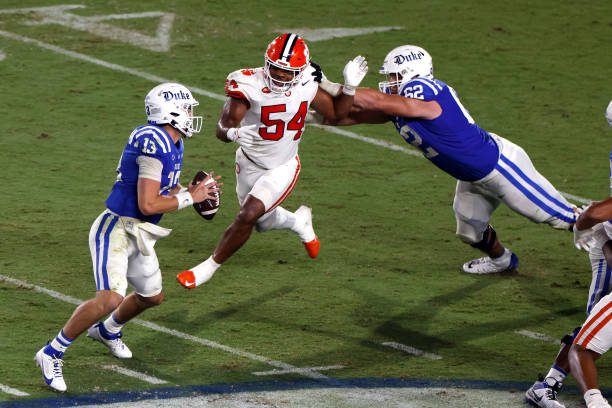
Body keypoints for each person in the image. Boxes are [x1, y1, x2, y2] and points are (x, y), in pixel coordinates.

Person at [317, 44, 577, 274]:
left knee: (563, 218)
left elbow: (381, 101)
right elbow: (350, 114)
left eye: (395, 76)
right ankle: (502, 260)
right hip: (472, 175)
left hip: (498, 166)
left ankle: (604, 245)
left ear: (410, 73)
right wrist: (312, 108)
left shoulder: (422, 88)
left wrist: (339, 86)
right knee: (470, 230)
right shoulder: (399, 104)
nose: (390, 81)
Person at [35, 82, 220, 392]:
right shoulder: (154, 141)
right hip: (117, 228)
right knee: (109, 298)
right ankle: (52, 352)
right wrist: (190, 198)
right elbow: (148, 203)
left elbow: (164, 191)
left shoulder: (173, 142)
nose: (190, 115)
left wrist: (191, 192)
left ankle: (107, 331)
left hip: (141, 232)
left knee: (152, 297)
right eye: (187, 109)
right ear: (170, 111)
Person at [176, 33, 368, 288]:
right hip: (248, 162)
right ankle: (299, 221)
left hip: (283, 166)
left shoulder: (307, 83)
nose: (280, 76)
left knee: (248, 214)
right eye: (275, 68)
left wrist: (349, 86)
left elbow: (336, 114)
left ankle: (208, 268)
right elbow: (222, 128)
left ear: (300, 72)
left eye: (287, 72)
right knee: (261, 221)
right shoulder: (247, 83)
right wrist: (233, 133)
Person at [525, 100, 612, 408]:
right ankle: (547, 383)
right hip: (606, 238)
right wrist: (585, 226)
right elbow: (601, 211)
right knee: (593, 320)